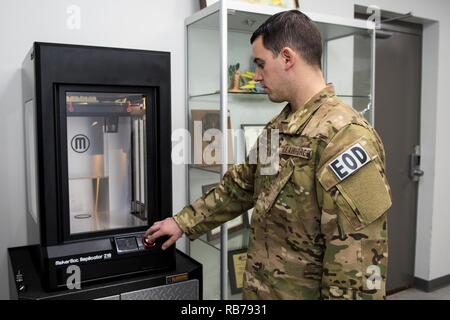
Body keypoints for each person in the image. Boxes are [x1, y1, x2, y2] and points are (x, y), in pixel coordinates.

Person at [144, 10, 392, 300]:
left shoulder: (346, 137)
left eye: (261, 64)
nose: (257, 76)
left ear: (287, 58)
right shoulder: (280, 127)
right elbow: (241, 186)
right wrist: (183, 221)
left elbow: (359, 264)